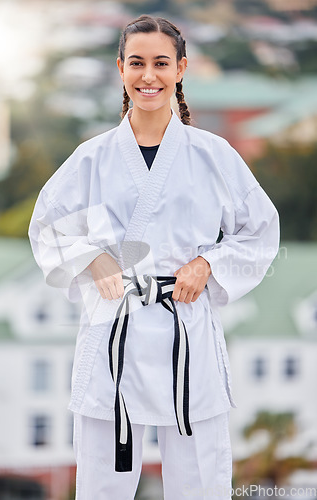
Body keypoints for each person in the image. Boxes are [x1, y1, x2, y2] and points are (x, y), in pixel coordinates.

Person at [28, 14, 280, 500]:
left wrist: (208, 265)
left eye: (161, 63)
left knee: (201, 478)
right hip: (113, 330)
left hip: (186, 323)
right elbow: (44, 226)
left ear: (181, 69)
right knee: (103, 478)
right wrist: (91, 258)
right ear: (120, 68)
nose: (149, 76)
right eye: (137, 63)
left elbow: (261, 229)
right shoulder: (92, 157)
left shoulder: (213, 154)